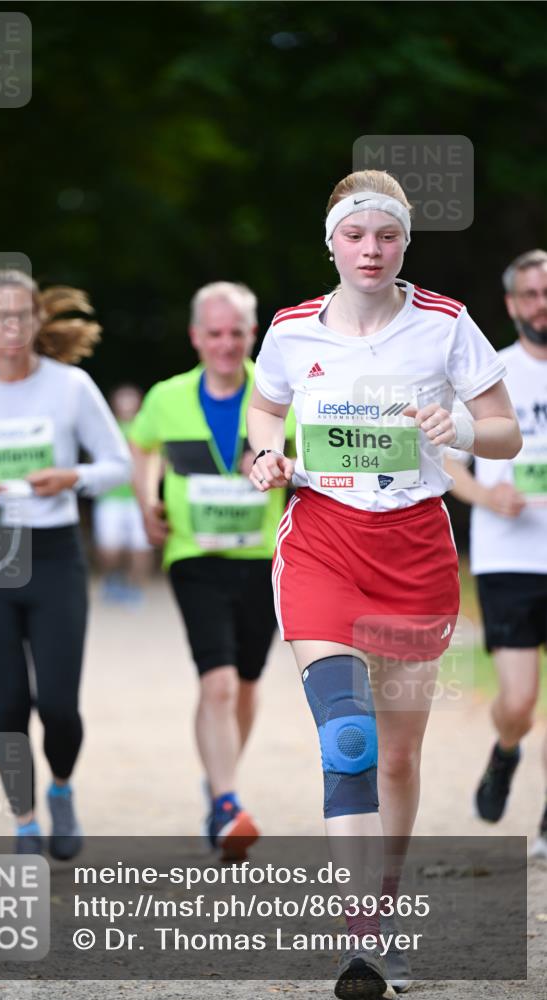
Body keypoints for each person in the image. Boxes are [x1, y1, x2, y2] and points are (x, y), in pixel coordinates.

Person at [247, 170, 521, 999]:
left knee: (398, 754)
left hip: (412, 552)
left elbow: (504, 433)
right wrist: (266, 455)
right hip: (323, 542)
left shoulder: (444, 325)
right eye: (355, 234)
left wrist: (462, 426)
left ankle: (384, 903)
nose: (371, 249)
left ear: (404, 242)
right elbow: (264, 410)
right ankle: (358, 934)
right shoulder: (293, 330)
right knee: (349, 737)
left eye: (387, 235)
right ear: (329, 241)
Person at [0, 270, 131, 858]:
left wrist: (72, 476)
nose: (11, 326)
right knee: (11, 702)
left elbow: (116, 463)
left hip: (54, 554)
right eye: (0, 316)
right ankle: (24, 822)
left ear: (37, 321)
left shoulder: (70, 387)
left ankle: (62, 790)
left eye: (22, 315)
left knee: (60, 706)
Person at [129, 281, 293, 861]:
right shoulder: (166, 396)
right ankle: (227, 803)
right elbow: (143, 446)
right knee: (217, 681)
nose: (226, 345)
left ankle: (220, 782)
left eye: (237, 333)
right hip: (193, 554)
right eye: (215, 333)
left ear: (254, 335)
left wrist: (281, 464)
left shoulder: (278, 396)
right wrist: (146, 498)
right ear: (196, 336)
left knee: (246, 683)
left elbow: (316, 461)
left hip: (264, 556)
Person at [444, 249, 547, 860]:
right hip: (509, 558)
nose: (542, 304)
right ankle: (506, 750)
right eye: (531, 294)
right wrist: (487, 493)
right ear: (512, 305)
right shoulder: (492, 375)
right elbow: (446, 456)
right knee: (518, 701)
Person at [94, 384, 153, 605]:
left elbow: (161, 461)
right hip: (110, 497)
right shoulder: (107, 428)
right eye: (122, 399)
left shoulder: (147, 429)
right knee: (109, 548)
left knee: (141, 547)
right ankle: (112, 580)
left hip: (139, 500)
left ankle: (136, 588)